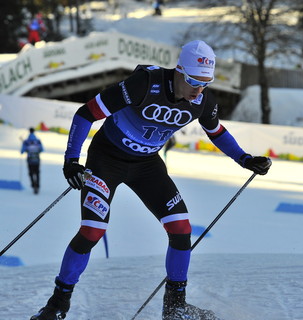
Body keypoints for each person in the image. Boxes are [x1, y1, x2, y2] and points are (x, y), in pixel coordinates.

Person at [30, 40, 272, 320]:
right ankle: (57, 305)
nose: (198, 89)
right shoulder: (144, 83)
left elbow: (216, 131)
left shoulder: (203, 100)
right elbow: (86, 113)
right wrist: (72, 160)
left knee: (181, 228)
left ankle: (175, 307)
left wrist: (244, 159)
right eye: (193, 81)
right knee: (92, 230)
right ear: (179, 71)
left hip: (147, 165)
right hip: (107, 159)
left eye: (206, 82)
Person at [21, 128, 44, 194]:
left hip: (30, 160)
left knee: (31, 173)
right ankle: (37, 186)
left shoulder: (26, 141)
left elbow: (22, 151)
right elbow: (42, 149)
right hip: (37, 159)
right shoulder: (38, 141)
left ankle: (33, 185)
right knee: (37, 173)